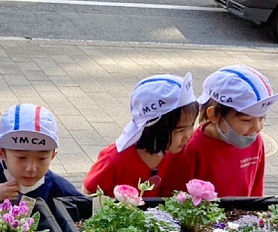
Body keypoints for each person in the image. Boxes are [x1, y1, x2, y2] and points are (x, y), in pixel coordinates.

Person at [82, 73, 198, 197]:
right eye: (180, 130)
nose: (188, 135)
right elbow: (88, 193)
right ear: (154, 127)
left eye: (191, 126)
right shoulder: (114, 160)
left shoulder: (174, 153)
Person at [175, 65, 278, 196]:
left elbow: (256, 191)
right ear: (214, 115)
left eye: (262, 118)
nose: (257, 127)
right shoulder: (191, 148)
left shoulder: (256, 141)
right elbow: (175, 198)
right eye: (246, 120)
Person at [0, 103, 83, 205]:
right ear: (2, 153)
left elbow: (87, 206)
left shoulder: (58, 188)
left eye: (42, 158)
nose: (31, 168)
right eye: (21, 158)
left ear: (53, 156)